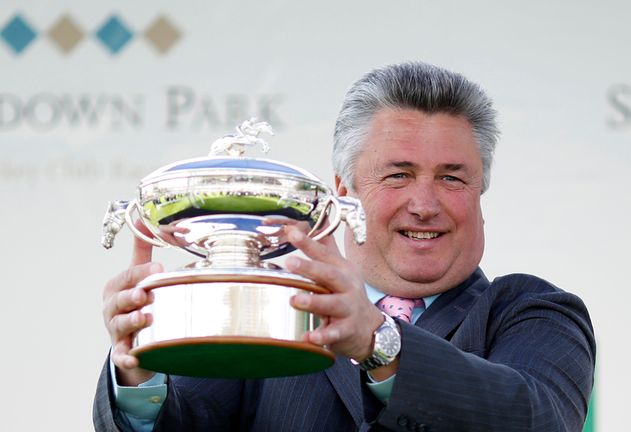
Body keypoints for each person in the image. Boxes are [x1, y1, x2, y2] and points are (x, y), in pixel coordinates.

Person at [94, 61, 595, 431]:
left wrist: (378, 340)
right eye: (398, 175)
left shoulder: (533, 312)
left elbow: (541, 421)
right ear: (342, 192)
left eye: (452, 178)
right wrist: (138, 374)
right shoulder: (276, 307)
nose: (425, 205)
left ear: (480, 191)